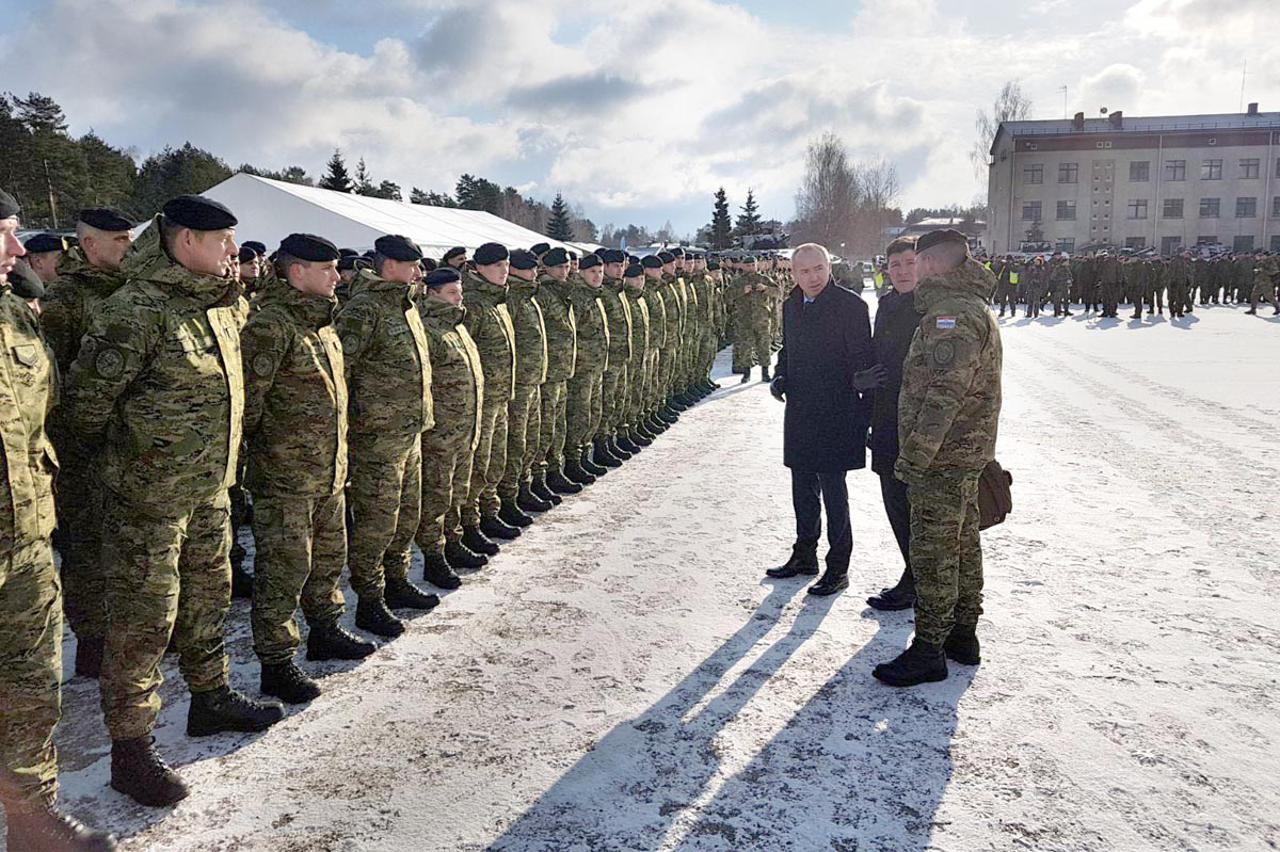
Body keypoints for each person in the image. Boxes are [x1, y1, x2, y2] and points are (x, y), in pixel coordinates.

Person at [62, 195, 285, 807]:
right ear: (186, 241)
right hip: (146, 503)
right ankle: (129, 752)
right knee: (142, 623)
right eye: (224, 242)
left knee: (208, 598)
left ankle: (209, 698)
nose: (234, 254)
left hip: (209, 492)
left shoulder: (218, 308)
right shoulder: (134, 311)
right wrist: (126, 470)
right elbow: (84, 409)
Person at [0, 188, 118, 850]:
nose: (19, 249)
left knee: (30, 685)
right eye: (6, 234)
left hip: (24, 539)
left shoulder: (16, 319)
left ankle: (31, 819)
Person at [240, 234, 381, 706]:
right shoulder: (271, 327)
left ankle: (324, 629)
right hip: (286, 477)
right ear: (297, 272)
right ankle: (276, 663)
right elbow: (250, 407)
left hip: (327, 471)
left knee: (325, 559)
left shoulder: (321, 324)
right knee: (284, 569)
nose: (338, 278)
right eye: (329, 270)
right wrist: (266, 461)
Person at [873, 229, 1002, 688]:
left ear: (929, 263)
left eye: (917, 261)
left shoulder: (949, 314)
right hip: (962, 456)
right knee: (963, 546)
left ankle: (929, 649)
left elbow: (944, 395)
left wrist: (914, 458)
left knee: (934, 554)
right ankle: (962, 635)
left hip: (941, 460)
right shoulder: (968, 306)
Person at [39, 208, 134, 679]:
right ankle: (93, 640)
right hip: (82, 449)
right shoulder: (66, 298)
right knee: (85, 548)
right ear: (89, 245)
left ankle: (129, 631)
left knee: (128, 545)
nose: (128, 247)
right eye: (118, 240)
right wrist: (76, 440)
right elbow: (53, 381)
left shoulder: (132, 293)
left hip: (129, 447)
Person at [333, 234, 434, 638]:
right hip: (376, 438)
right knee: (375, 524)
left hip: (409, 433)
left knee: (405, 516)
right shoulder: (364, 310)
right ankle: (369, 601)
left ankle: (397, 581)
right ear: (389, 265)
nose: (418, 272)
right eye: (411, 265)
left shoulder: (406, 307)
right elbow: (342, 370)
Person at [765, 243, 875, 597]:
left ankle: (838, 566)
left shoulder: (850, 306)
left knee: (833, 491)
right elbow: (789, 349)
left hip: (836, 411)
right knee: (802, 488)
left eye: (818, 269)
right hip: (801, 410)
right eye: (803, 271)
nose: (812, 277)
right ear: (793, 273)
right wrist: (781, 375)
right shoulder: (791, 306)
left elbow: (863, 357)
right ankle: (804, 554)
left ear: (829, 267)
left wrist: (862, 398)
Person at [415, 266, 485, 590]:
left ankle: (453, 542)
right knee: (436, 497)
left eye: (460, 292)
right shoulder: (429, 330)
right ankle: (434, 555)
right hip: (441, 433)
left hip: (464, 429)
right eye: (452, 293)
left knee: (457, 492)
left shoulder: (457, 326)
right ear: (432, 294)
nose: (459, 298)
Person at [866, 237, 920, 612]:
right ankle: (912, 574)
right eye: (895, 264)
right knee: (894, 502)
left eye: (908, 263)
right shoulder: (886, 304)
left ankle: (920, 580)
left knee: (918, 506)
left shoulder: (933, 307)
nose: (901, 271)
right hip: (887, 416)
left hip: (920, 422)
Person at [459, 243, 522, 554]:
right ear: (479, 268)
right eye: (498, 265)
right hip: (480, 402)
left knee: (495, 461)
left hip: (500, 396)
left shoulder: (498, 301)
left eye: (506, 264)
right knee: (478, 465)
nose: (504, 270)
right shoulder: (473, 304)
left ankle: (490, 513)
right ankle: (470, 524)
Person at [498, 249, 554, 518]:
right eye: (527, 268)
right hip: (517, 384)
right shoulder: (512, 299)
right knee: (516, 443)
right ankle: (509, 497)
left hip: (532, 381)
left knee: (531, 438)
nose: (534, 272)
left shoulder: (529, 296)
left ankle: (526, 486)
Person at [534, 247, 582, 496]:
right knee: (546, 426)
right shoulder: (542, 294)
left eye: (567, 267)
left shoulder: (565, 292)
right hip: (548, 370)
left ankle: (556, 469)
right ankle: (541, 477)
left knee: (558, 423)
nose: (565, 271)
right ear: (548, 269)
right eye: (559, 268)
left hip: (563, 369)